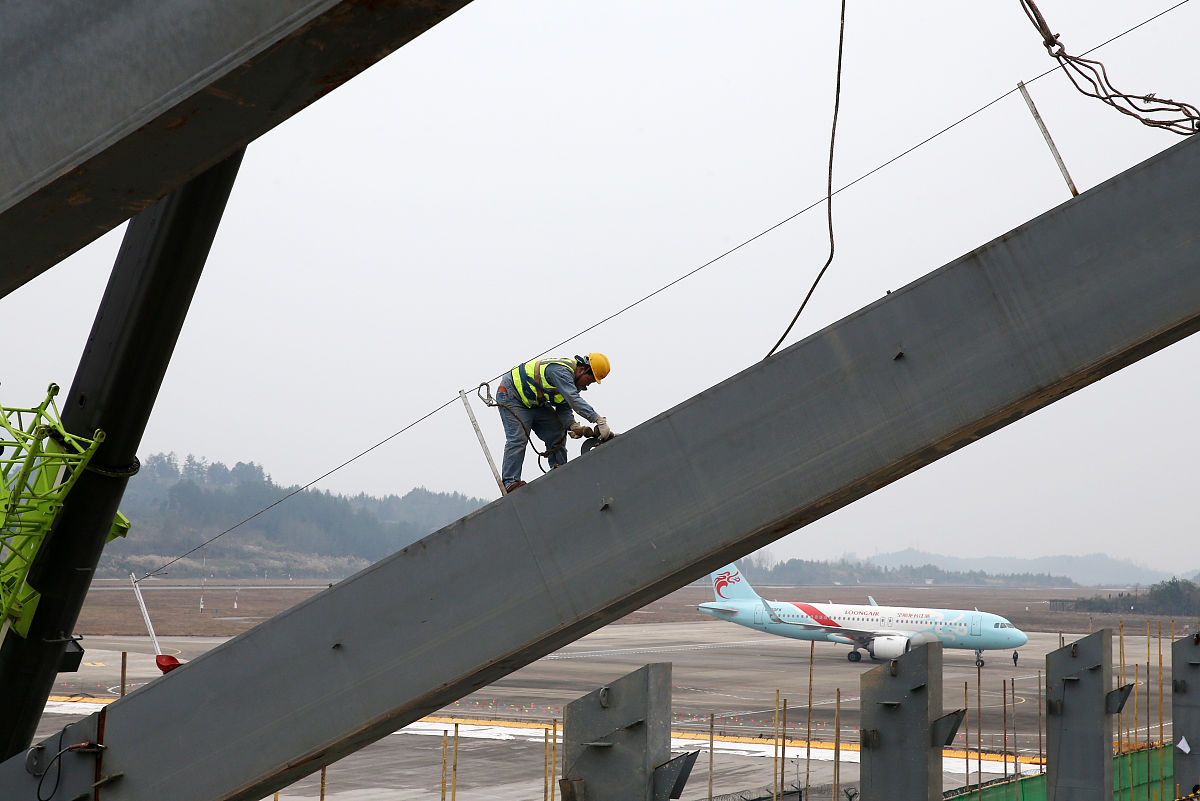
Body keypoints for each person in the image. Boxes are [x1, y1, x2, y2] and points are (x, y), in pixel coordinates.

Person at [495, 353, 612, 493]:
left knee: (557, 431)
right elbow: (573, 399)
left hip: (534, 402)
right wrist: (598, 420)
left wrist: (572, 425)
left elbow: (564, 405)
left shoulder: (573, 381)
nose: (588, 384)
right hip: (512, 396)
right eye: (589, 379)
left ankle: (560, 473)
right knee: (518, 438)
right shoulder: (561, 372)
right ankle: (511, 482)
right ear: (582, 369)